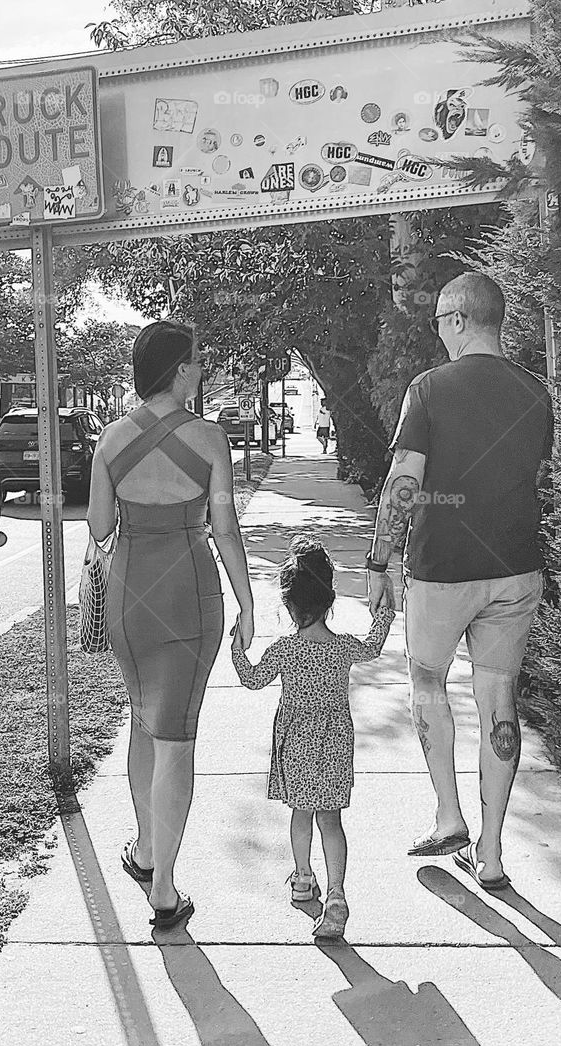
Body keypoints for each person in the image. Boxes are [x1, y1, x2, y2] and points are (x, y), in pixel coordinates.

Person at [366, 271, 552, 889]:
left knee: (427, 683)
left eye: (440, 322)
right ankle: (492, 855)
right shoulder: (536, 393)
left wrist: (380, 558)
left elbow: (404, 482)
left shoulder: (427, 390)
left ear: (457, 320)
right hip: (516, 569)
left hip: (443, 569)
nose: (438, 334)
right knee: (499, 699)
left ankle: (450, 819)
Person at [87, 320, 254, 929]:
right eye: (197, 362)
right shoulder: (209, 440)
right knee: (177, 736)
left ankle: (146, 848)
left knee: (143, 718)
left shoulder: (110, 440)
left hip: (129, 597)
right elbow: (226, 531)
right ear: (179, 369)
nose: (202, 369)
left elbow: (101, 529)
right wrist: (247, 601)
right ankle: (164, 888)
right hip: (189, 594)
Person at [231, 535, 395, 940]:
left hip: (298, 746)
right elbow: (374, 647)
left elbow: (252, 679)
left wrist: (236, 646)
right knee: (331, 819)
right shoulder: (342, 648)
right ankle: (337, 895)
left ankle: (303, 879)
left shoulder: (285, 650)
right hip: (336, 743)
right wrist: (385, 614)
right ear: (330, 600)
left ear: (289, 604)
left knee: (301, 813)